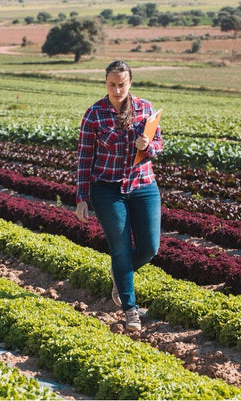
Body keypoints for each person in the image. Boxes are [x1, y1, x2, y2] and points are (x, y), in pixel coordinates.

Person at [75, 60, 163, 332]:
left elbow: (159, 144)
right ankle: (130, 309)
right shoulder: (94, 114)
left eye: (121, 84)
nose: (116, 89)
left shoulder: (145, 109)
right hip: (107, 189)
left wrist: (148, 147)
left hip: (143, 185)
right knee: (121, 247)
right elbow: (84, 158)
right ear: (106, 84)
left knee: (150, 247)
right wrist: (81, 197)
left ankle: (119, 271)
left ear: (130, 83)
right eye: (111, 84)